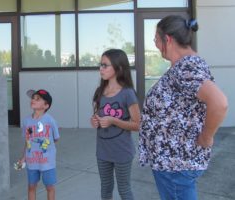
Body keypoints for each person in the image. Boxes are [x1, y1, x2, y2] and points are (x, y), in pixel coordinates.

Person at [138, 15, 228, 200]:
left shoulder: (186, 67)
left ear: (168, 39)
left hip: (176, 165)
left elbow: (220, 103)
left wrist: (206, 137)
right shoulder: (186, 66)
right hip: (173, 162)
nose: (155, 44)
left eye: (156, 39)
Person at [90, 49, 141, 200]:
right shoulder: (100, 91)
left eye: (105, 65)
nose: (101, 68)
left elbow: (138, 125)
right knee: (105, 188)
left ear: (118, 68)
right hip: (103, 151)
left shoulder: (128, 93)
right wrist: (94, 120)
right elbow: (97, 116)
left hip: (122, 152)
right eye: (100, 65)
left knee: (124, 190)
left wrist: (114, 121)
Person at [17, 89, 60, 200]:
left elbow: (55, 139)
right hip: (32, 161)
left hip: (47, 163)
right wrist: (24, 157)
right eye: (33, 98)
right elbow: (27, 141)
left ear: (46, 105)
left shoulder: (50, 121)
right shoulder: (26, 121)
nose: (33, 100)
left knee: (50, 187)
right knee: (31, 187)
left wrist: (45, 148)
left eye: (38, 99)